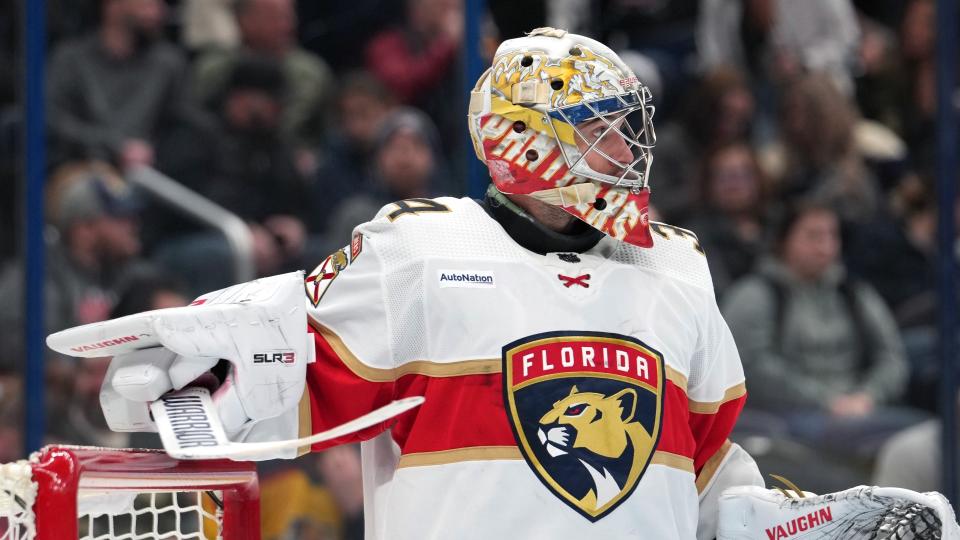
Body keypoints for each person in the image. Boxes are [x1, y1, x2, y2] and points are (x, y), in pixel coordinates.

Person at [54, 28, 766, 539]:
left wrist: (757, 512)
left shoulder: (676, 267)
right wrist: (199, 391)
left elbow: (703, 460)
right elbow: (284, 391)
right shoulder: (418, 253)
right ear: (527, 141)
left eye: (627, 127)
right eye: (601, 129)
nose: (628, 151)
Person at [721, 201, 924, 464]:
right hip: (787, 415)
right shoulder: (754, 295)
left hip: (863, 409)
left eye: (832, 235)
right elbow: (752, 366)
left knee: (933, 436)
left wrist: (868, 395)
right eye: (813, 236)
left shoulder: (854, 293)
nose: (826, 246)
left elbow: (891, 356)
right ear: (783, 241)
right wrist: (827, 400)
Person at [46, 0, 193, 170]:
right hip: (80, 168)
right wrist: (115, 147)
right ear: (112, 5)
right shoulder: (71, 60)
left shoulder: (168, 64)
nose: (158, 8)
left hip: (150, 174)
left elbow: (184, 128)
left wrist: (152, 153)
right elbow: (53, 121)